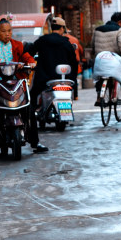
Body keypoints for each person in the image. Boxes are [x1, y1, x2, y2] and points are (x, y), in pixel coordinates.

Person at [0, 18, 45, 153]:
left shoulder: (18, 45)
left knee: (29, 109)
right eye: (4, 31)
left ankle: (35, 143)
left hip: (16, 83)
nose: (7, 34)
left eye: (9, 31)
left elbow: (27, 57)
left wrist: (31, 63)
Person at [29, 17, 78, 147]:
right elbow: (74, 62)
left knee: (32, 98)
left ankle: (31, 117)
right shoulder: (66, 43)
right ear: (62, 29)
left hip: (44, 79)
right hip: (63, 80)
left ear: (52, 28)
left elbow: (30, 51)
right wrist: (73, 82)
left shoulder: (42, 41)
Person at [92, 12, 121, 125]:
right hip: (114, 61)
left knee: (99, 75)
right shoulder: (119, 30)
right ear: (120, 22)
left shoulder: (98, 29)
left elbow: (93, 45)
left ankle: (99, 95)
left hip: (100, 59)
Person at [62, 24, 84, 100]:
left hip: (64, 61)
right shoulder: (75, 39)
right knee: (73, 78)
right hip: (74, 61)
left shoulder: (61, 39)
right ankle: (76, 96)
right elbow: (81, 50)